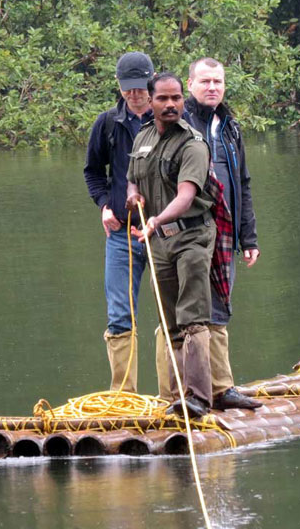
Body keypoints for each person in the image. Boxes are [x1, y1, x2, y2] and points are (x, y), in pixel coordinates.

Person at [153, 57, 261, 410]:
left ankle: (221, 387)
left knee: (220, 307)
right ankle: (180, 394)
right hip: (189, 230)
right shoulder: (180, 125)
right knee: (188, 313)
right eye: (205, 81)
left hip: (226, 231)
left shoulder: (229, 126)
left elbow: (242, 183)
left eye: (218, 81)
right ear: (190, 85)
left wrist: (250, 237)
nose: (212, 87)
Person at [126, 72, 216, 417]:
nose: (170, 105)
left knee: (192, 316)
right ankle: (179, 396)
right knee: (170, 321)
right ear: (150, 102)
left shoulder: (193, 143)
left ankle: (198, 398)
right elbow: (132, 179)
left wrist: (157, 219)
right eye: (162, 99)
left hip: (191, 236)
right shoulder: (144, 137)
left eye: (176, 98)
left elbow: (186, 195)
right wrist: (133, 198)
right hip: (159, 241)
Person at [83, 51, 155, 392]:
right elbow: (93, 173)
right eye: (128, 88)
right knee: (120, 316)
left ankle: (175, 394)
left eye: (141, 87)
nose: (135, 94)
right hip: (121, 235)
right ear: (119, 86)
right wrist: (102, 206)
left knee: (173, 314)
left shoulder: (168, 120)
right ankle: (123, 396)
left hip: (164, 234)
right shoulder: (107, 123)